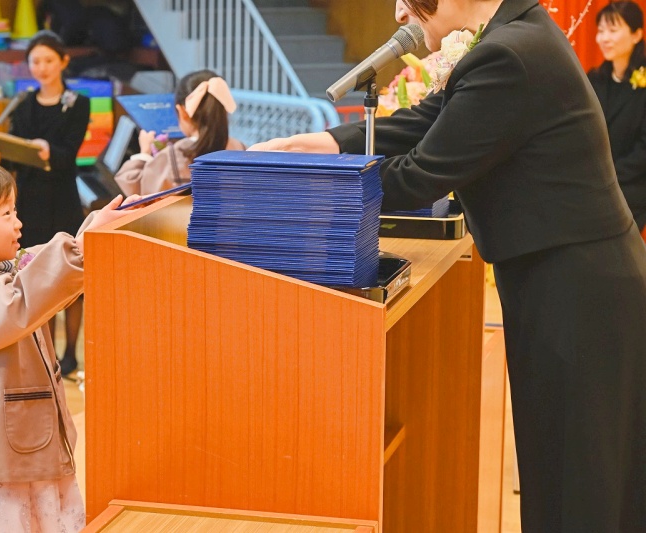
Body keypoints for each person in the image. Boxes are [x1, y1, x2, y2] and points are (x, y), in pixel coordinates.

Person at [250, 0, 646, 529]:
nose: (398, 14)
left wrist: (313, 189)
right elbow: (432, 118)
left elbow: (421, 174)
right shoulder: (515, 33)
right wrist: (324, 143)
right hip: (570, 277)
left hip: (576, 290)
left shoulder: (509, 53)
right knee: (566, 467)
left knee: (578, 478)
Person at [0, 160, 136, 532]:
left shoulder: (0, 269)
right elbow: (23, 297)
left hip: (23, 448)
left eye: (14, 211)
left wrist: (92, 234)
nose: (18, 223)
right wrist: (80, 248)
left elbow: (37, 267)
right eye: (6, 214)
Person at [0, 30, 90, 376]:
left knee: (71, 271)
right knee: (38, 274)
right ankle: (48, 353)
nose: (41, 67)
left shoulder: (77, 102)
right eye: (35, 61)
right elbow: (14, 154)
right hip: (29, 198)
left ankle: (71, 353)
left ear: (63, 62)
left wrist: (48, 150)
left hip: (62, 196)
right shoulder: (24, 102)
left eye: (48, 60)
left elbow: (69, 153)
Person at [114, 69, 246, 197]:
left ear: (182, 112)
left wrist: (144, 152)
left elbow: (134, 185)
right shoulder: (241, 149)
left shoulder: (176, 154)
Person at [588, 1, 646, 238]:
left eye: (612, 30)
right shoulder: (594, 79)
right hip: (592, 187)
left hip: (630, 190)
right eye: (601, 31)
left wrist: (608, 177)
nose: (604, 38)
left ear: (636, 35)